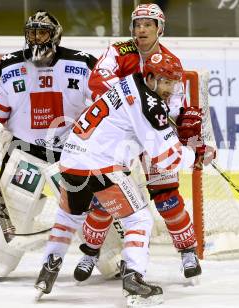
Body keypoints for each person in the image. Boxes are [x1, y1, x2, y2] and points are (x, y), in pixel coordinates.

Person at [34, 53, 210, 305]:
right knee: (139, 218)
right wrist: (197, 155)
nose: (170, 89)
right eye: (165, 82)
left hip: (71, 160)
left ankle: (47, 270)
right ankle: (133, 280)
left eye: (173, 83)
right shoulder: (150, 104)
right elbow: (166, 158)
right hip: (102, 164)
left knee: (67, 217)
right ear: (149, 77)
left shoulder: (127, 81)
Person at [73, 3, 215, 282]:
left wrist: (187, 127)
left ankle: (187, 251)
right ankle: (90, 252)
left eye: (148, 25)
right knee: (105, 199)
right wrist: (138, 100)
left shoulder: (171, 61)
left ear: (159, 29)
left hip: (151, 134)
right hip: (120, 135)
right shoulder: (119, 50)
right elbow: (98, 79)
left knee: (166, 196)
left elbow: (175, 105)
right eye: (138, 25)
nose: (142, 30)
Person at [0, 10, 97, 279]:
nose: (36, 38)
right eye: (32, 32)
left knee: (94, 208)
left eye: (43, 32)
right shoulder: (8, 65)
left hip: (69, 155)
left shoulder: (83, 63)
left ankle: (114, 258)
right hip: (25, 152)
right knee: (13, 207)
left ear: (56, 35)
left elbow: (103, 106)